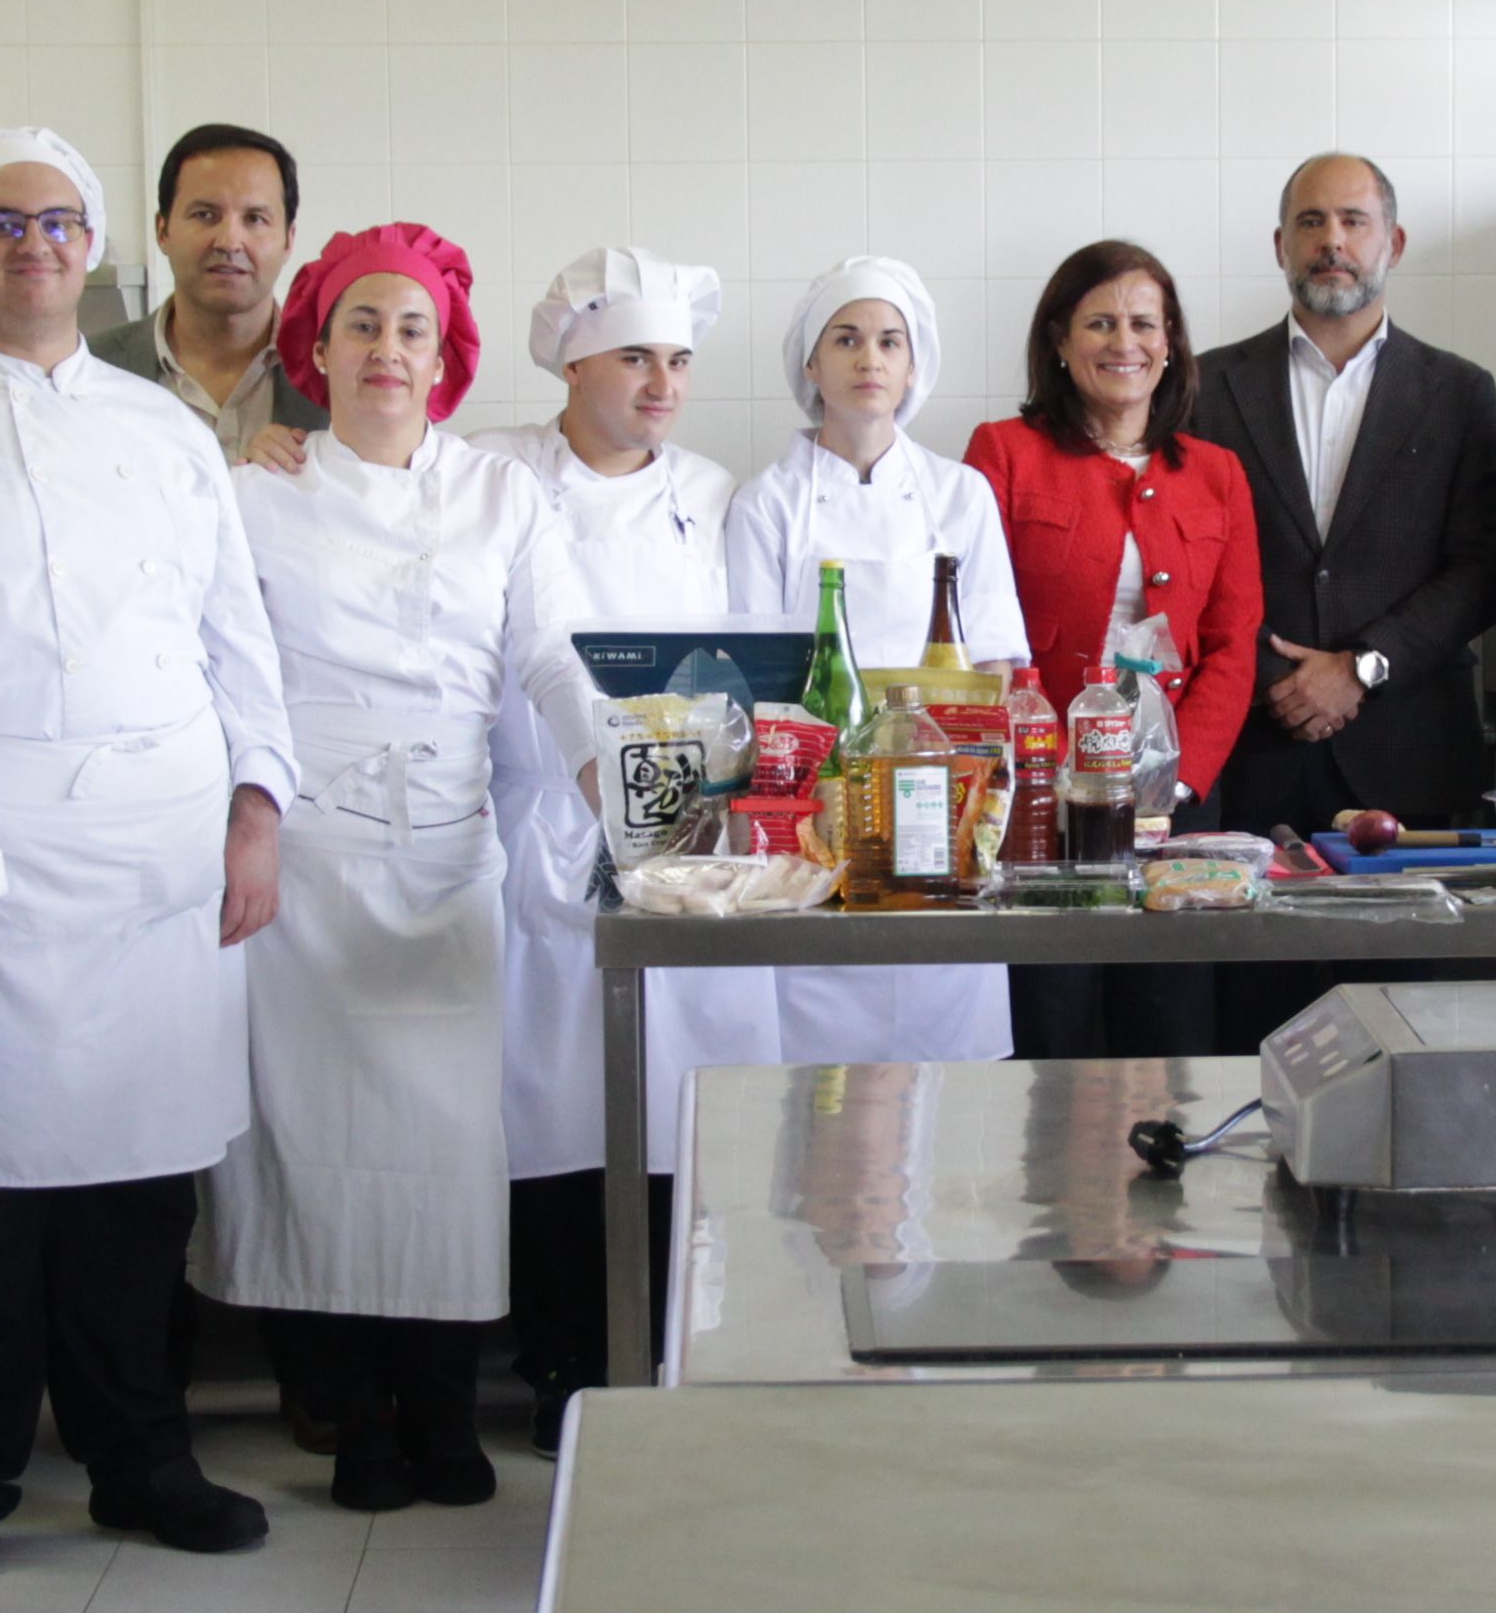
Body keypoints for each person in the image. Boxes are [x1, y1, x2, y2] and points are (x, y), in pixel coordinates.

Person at [0, 129, 296, 1585]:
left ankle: (138, 1455)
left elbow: (239, 635)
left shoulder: (166, 433)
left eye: (58, 223)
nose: (33, 246)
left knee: (136, 1188)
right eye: (0, 224)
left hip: (160, 850)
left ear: (93, 246)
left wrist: (257, 804)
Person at [209, 227, 612, 1514]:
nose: (389, 350)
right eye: (363, 326)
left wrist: (619, 785)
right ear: (314, 346)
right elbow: (226, 666)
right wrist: (250, 819)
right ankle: (356, 1418)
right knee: (316, 1146)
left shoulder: (502, 494)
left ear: (448, 358)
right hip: (307, 860)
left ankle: (441, 1414)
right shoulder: (253, 492)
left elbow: (553, 657)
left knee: (442, 1152)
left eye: (414, 331)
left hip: (446, 859)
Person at [484, 248, 778, 1452]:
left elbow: (760, 655)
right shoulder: (498, 473)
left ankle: (675, 1348)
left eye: (677, 359)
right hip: (541, 819)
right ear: (570, 361)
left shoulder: (712, 491)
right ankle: (561, 1360)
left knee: (685, 1099)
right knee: (554, 1102)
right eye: (634, 358)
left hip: (692, 825)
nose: (663, 382)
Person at [723, 258, 1031, 1069]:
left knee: (950, 1097)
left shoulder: (960, 495)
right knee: (815, 1093)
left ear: (912, 366)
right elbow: (761, 690)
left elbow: (994, 667)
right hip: (818, 829)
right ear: (810, 365)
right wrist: (831, 804)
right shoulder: (767, 504)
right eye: (847, 339)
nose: (869, 360)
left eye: (889, 342)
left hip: (944, 820)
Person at [968, 243, 1264, 1059]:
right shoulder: (1003, 454)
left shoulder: (1217, 474)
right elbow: (977, 630)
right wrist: (1050, 769)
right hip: (1038, 794)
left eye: (1143, 323)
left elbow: (1234, 645)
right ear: (1060, 341)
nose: (1122, 342)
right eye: (1099, 323)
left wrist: (1180, 776)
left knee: (1168, 1024)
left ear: (1171, 343)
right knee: (1048, 1020)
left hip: (1177, 804)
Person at [1194, 154, 1496, 839]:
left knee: (1402, 951)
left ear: (1391, 244)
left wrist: (1362, 668)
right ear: (1281, 246)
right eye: (1310, 222)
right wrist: (1280, 676)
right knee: (1247, 948)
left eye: (1353, 221)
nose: (1331, 241)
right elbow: (1185, 571)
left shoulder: (1458, 393)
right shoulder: (1203, 390)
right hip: (1250, 748)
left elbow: (1486, 567)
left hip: (1409, 752)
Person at [95, 121, 328, 455]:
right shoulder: (91, 366)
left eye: (255, 219)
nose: (229, 241)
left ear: (288, 240)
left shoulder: (337, 374)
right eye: (205, 215)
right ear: (163, 231)